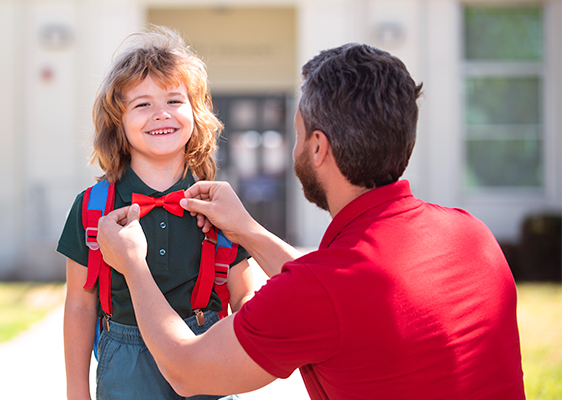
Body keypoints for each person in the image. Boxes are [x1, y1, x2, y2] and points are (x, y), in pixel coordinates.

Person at [96, 43, 526, 399]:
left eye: (298, 133)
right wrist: (246, 228)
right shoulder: (473, 234)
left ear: (318, 148)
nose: (296, 145)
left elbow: (187, 371)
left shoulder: (322, 291)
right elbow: (341, 294)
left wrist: (133, 263)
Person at [57, 27, 263, 400]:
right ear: (117, 122)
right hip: (125, 364)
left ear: (196, 114)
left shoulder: (218, 205)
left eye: (174, 100)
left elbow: (243, 293)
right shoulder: (92, 207)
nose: (161, 114)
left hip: (207, 353)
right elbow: (78, 304)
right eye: (142, 104)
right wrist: (77, 393)